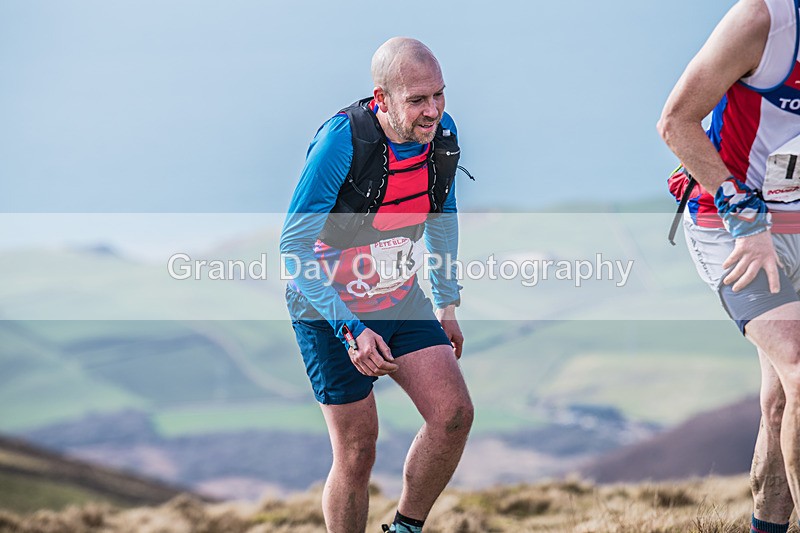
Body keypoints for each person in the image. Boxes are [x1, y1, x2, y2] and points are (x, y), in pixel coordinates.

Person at [280, 37, 473, 533]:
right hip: (329, 308)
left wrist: (447, 303)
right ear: (382, 98)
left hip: (398, 295)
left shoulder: (441, 133)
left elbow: (441, 215)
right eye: (417, 100)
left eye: (439, 95)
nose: (433, 112)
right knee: (357, 451)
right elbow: (294, 249)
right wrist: (350, 330)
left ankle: (405, 529)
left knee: (453, 415)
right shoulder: (341, 143)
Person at [659, 1, 800, 531]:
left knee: (782, 402)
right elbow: (675, 122)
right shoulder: (764, 19)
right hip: (731, 223)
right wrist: (747, 218)